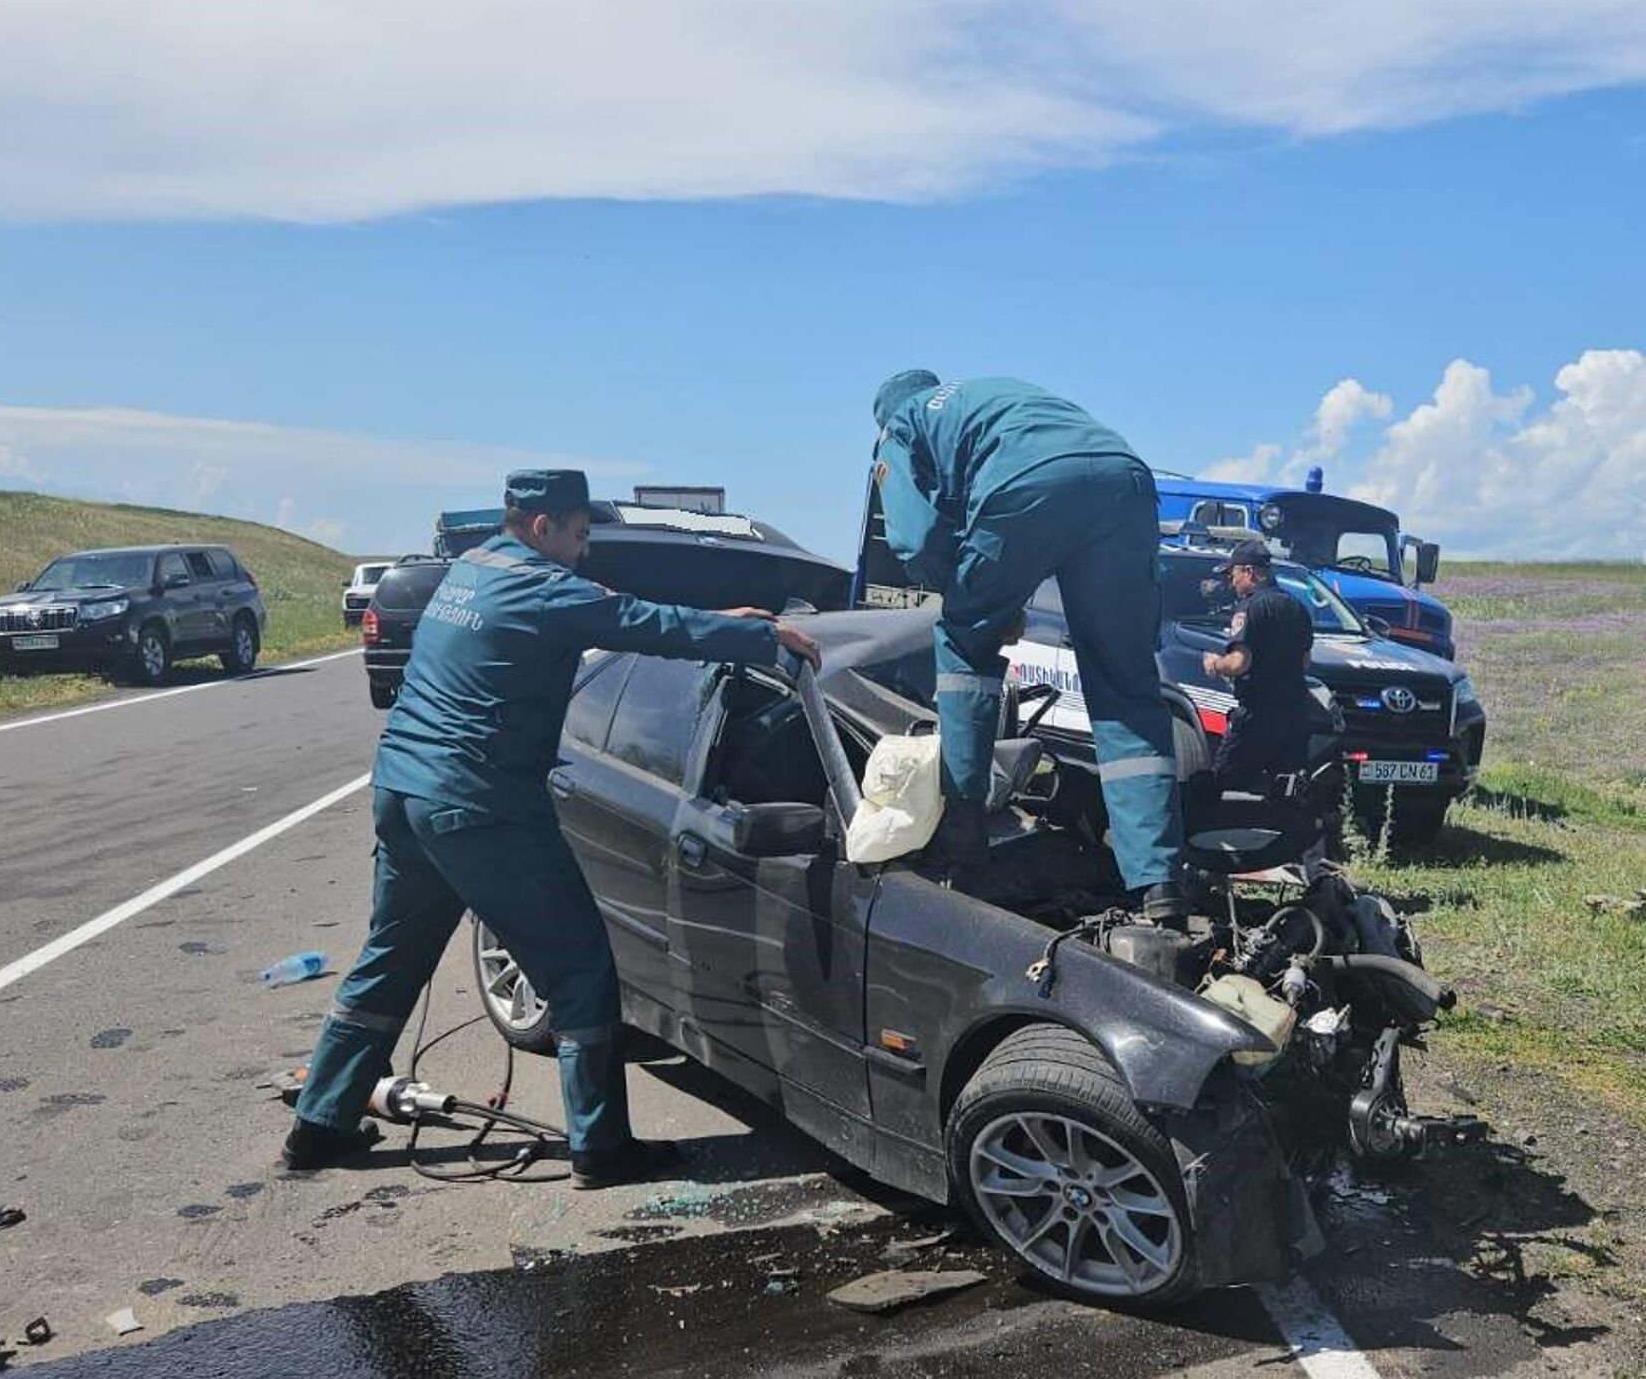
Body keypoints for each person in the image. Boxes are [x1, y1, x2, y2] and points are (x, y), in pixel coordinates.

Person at [283, 469, 823, 1187]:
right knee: (580, 972)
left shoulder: (471, 570)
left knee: (390, 960)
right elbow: (643, 624)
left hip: (403, 791)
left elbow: (616, 609)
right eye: (578, 533)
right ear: (544, 527)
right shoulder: (545, 588)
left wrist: (730, 617)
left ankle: (318, 1125)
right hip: (480, 806)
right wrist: (757, 640)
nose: (584, 548)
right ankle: (600, 1147)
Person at [869, 370, 1186, 923]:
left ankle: (962, 833)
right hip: (1126, 480)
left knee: (963, 643)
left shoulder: (902, 423)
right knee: (1125, 686)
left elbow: (914, 538)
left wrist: (978, 606)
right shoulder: (990, 397)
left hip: (1027, 485)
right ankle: (1160, 885)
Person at [1201, 538, 1315, 791]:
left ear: (1249, 572)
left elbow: (1240, 662)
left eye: (1233, 574)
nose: (1231, 581)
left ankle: (1218, 829)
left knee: (1222, 784)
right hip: (1295, 716)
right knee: (1289, 789)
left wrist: (1215, 664)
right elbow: (1305, 662)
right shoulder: (1297, 607)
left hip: (1258, 716)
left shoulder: (1250, 607)